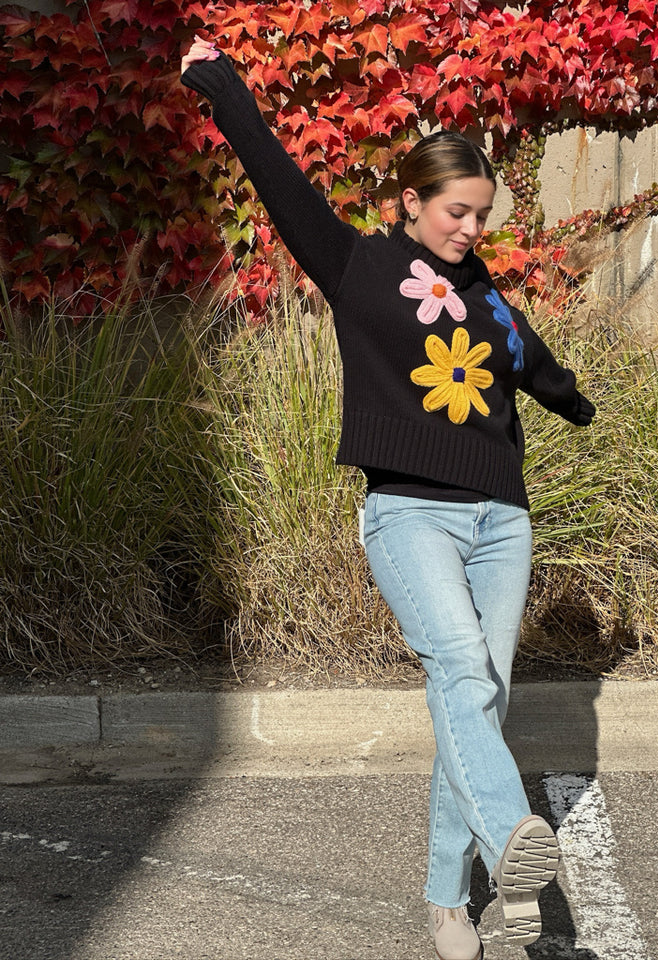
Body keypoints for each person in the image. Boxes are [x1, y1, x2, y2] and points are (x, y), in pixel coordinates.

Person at [180, 34, 595, 960]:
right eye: (456, 212)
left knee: (478, 699)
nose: (472, 230)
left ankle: (454, 902)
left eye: (483, 214)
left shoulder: (486, 295)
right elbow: (278, 176)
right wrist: (216, 78)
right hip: (409, 512)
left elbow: (528, 359)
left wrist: (573, 400)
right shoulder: (358, 265)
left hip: (501, 519)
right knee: (457, 666)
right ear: (410, 201)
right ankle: (514, 837)